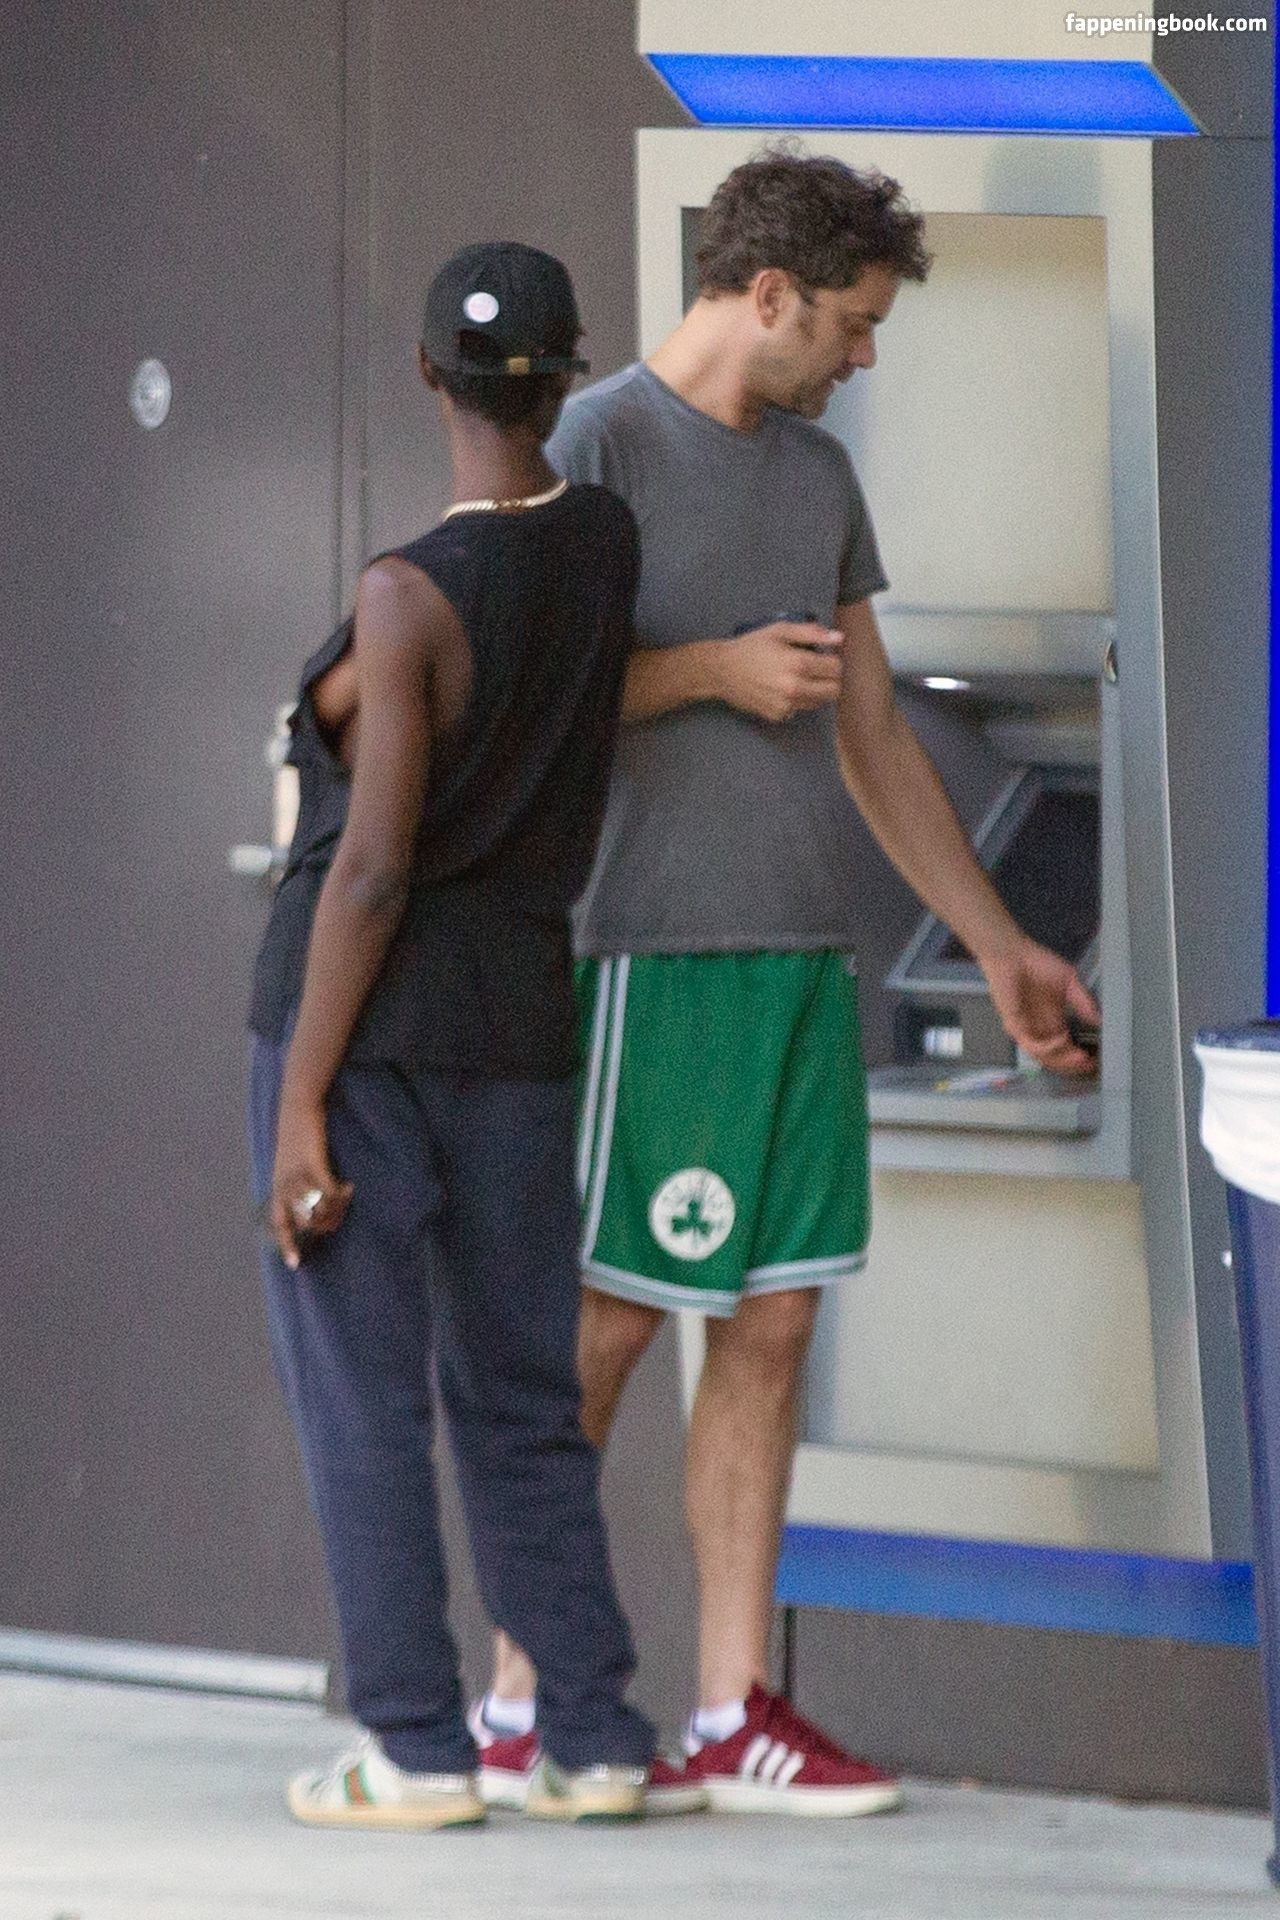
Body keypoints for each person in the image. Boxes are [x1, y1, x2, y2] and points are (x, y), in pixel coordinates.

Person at [472, 152, 1101, 1817]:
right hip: (641, 959)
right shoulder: (591, 446)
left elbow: (872, 735)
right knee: (605, 1327)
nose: (866, 354)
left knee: (776, 1323)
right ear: (768, 296)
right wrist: (708, 672)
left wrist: (1000, 945)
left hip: (802, 965)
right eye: (853, 322)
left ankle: (733, 1711)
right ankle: (522, 1705)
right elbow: (506, 701)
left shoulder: (819, 476)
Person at [246, 241, 662, 1830]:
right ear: (563, 380)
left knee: (363, 1396)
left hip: (362, 1027)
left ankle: (417, 1751)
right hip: (519, 1021)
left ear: (429, 373)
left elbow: (372, 869)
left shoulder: (406, 593)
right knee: (521, 1395)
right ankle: (597, 1738)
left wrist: (301, 1104)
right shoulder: (605, 543)